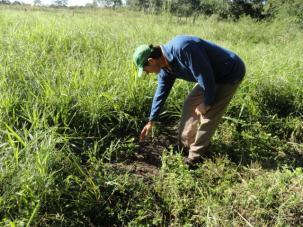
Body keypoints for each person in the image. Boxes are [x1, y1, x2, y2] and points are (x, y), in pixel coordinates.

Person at [133, 35, 246, 168]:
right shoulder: (164, 67)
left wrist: (207, 102)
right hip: (209, 76)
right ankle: (185, 145)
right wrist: (152, 120)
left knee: (209, 115)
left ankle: (195, 157)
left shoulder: (183, 48)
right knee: (190, 104)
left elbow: (205, 75)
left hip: (228, 73)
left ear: (151, 61)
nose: (148, 73)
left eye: (146, 70)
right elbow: (161, 92)